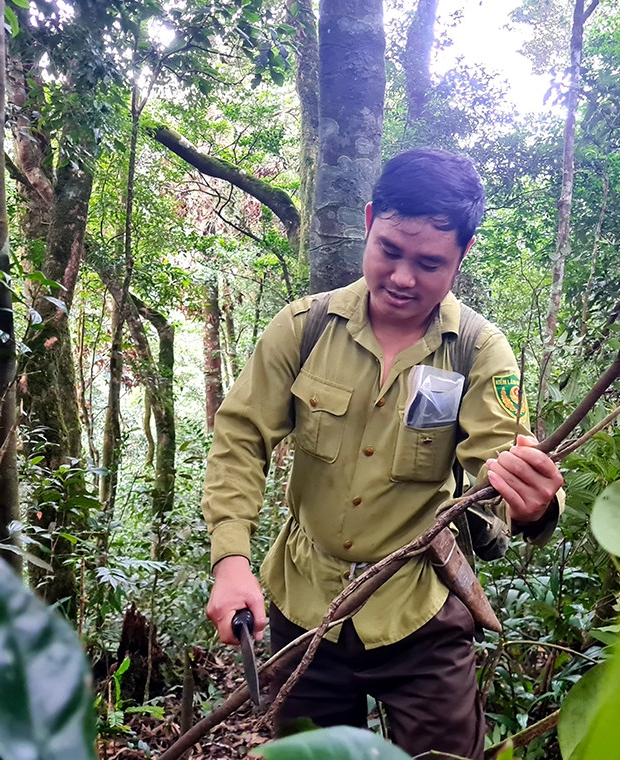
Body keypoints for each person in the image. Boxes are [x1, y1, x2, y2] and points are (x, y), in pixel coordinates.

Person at [201, 148, 564, 759]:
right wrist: (230, 559)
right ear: (369, 222)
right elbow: (240, 439)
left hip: (417, 609)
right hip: (304, 600)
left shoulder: (478, 351)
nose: (402, 277)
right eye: (389, 250)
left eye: (429, 263)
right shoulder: (302, 329)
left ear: (461, 256)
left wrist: (531, 505)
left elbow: (499, 461)